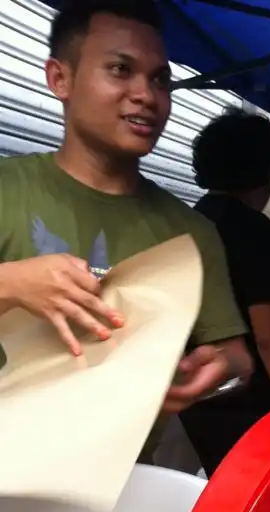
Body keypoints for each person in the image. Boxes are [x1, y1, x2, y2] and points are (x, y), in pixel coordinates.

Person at [0, 0, 252, 424]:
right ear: (60, 78)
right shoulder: (8, 188)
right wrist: (11, 282)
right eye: (120, 69)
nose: (146, 95)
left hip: (126, 477)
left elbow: (237, 358)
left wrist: (217, 370)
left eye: (160, 80)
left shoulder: (191, 233)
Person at [180, 108, 270, 476]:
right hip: (241, 402)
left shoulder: (188, 220)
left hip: (193, 395)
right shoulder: (253, 229)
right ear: (264, 173)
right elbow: (269, 336)